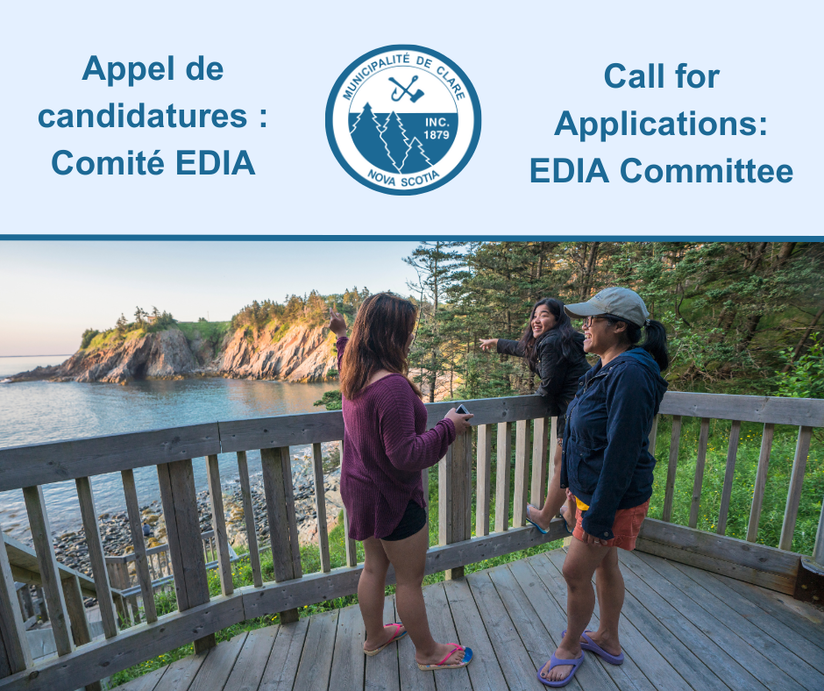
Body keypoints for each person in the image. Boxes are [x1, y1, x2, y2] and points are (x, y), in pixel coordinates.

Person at [328, 294, 475, 671]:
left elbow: (344, 353)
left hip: (360, 490)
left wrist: (341, 335)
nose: (411, 337)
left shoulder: (353, 371)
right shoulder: (391, 388)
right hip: (393, 498)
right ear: (390, 334)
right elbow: (406, 454)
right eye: (407, 331)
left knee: (374, 568)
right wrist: (448, 427)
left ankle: (375, 636)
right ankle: (428, 653)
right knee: (408, 581)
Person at [538, 287, 669, 687]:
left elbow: (623, 451)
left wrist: (598, 514)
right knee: (605, 563)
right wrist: (572, 493)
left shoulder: (630, 373)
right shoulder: (605, 367)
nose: (585, 325)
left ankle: (571, 647)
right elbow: (587, 435)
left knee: (574, 572)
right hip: (591, 490)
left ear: (619, 326)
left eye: (593, 319)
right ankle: (608, 638)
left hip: (608, 497)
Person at [479, 298, 589, 534]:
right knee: (570, 463)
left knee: (562, 465)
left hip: (574, 410)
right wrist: (497, 342)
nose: (537, 320)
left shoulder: (551, 342)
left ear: (557, 319)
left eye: (545, 315)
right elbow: (525, 348)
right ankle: (570, 515)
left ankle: (544, 517)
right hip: (583, 406)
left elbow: (550, 384)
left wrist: (538, 399)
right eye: (535, 315)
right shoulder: (562, 338)